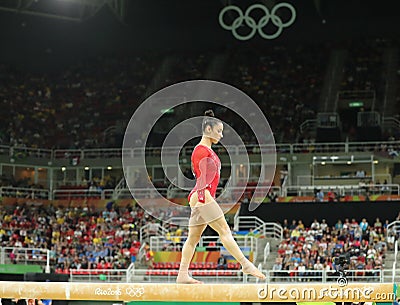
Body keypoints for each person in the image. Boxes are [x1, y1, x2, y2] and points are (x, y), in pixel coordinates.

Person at [176, 110, 265, 284]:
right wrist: (204, 199)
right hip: (203, 194)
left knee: (193, 238)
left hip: (200, 195)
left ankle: (182, 274)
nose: (221, 135)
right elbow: (201, 176)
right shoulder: (201, 150)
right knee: (224, 231)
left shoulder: (208, 151)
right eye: (218, 131)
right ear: (208, 129)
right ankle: (245, 264)